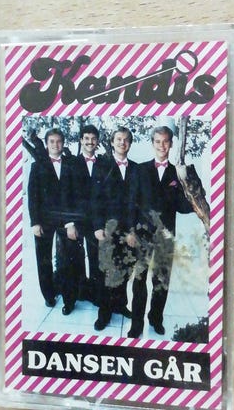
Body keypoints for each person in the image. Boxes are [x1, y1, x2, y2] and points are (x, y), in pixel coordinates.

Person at [128, 126, 193, 338]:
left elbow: (184, 207)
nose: (162, 145)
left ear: (171, 144)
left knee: (162, 280)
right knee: (139, 280)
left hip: (166, 236)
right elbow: (132, 202)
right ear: (152, 143)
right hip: (142, 235)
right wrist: (131, 231)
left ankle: (156, 319)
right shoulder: (140, 170)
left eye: (165, 141)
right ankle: (136, 324)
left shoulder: (177, 172)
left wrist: (190, 183)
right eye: (158, 141)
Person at [27, 128, 86, 316]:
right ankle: (49, 294)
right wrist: (35, 222)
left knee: (67, 261)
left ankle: (69, 300)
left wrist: (71, 222)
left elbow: (76, 195)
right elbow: (33, 196)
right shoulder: (38, 166)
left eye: (59, 141)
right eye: (51, 141)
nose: (55, 145)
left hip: (66, 220)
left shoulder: (71, 164)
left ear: (63, 143)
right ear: (46, 144)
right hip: (44, 221)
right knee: (43, 259)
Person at [91, 127, 140, 331]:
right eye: (118, 139)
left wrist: (133, 231)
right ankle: (104, 314)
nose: (122, 142)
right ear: (112, 142)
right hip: (107, 229)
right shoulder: (101, 165)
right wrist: (97, 226)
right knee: (106, 272)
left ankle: (120, 305)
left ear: (130, 143)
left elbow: (138, 203)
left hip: (128, 230)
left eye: (126, 139)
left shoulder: (136, 169)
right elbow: (95, 198)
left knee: (125, 269)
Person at [70, 124, 101, 302]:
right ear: (81, 140)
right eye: (86, 138)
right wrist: (70, 223)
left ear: (97, 141)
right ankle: (79, 294)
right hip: (76, 220)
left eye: (93, 138)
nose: (90, 142)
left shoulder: (104, 163)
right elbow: (66, 194)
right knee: (76, 258)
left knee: (96, 258)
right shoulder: (71, 163)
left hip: (96, 221)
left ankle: (96, 295)